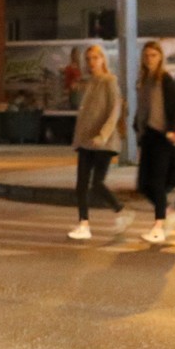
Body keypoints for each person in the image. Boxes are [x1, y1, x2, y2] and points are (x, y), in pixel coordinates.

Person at [131, 41, 175, 245]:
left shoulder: (166, 80)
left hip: (164, 137)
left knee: (157, 182)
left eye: (154, 55)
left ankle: (158, 227)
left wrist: (174, 130)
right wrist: (136, 127)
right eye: (147, 56)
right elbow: (142, 110)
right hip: (149, 137)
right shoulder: (144, 81)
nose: (149, 59)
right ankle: (168, 212)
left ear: (160, 58)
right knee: (143, 185)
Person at [67, 44, 124, 241]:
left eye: (95, 58)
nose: (91, 62)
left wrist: (103, 135)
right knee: (81, 184)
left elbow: (114, 111)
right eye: (89, 59)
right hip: (86, 141)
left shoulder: (110, 81)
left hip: (103, 143)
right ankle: (83, 224)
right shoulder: (90, 82)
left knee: (97, 184)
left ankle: (120, 210)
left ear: (103, 59)